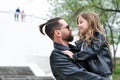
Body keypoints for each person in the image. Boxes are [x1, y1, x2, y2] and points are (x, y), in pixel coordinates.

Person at [39, 17, 110, 80]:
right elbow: (84, 77)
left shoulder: (77, 50)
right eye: (67, 27)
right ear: (58, 33)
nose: (71, 29)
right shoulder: (58, 57)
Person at [63, 12, 113, 80]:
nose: (78, 25)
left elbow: (92, 51)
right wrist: (65, 44)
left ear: (90, 22)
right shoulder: (83, 41)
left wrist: (74, 56)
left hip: (102, 74)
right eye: (78, 23)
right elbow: (79, 51)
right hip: (91, 74)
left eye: (81, 22)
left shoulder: (98, 36)